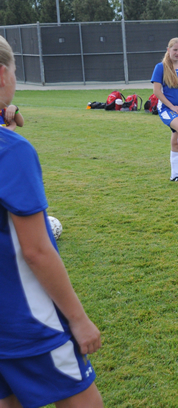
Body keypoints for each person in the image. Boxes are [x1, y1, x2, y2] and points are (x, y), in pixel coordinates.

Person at [0, 36, 103, 407]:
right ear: (2, 75)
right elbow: (37, 251)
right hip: (26, 322)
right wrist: (78, 319)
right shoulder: (12, 152)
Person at [151, 38, 178, 182]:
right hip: (166, 109)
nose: (177, 53)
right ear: (168, 50)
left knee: (176, 142)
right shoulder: (160, 67)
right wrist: (172, 107)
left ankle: (174, 176)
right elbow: (157, 92)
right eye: (175, 50)